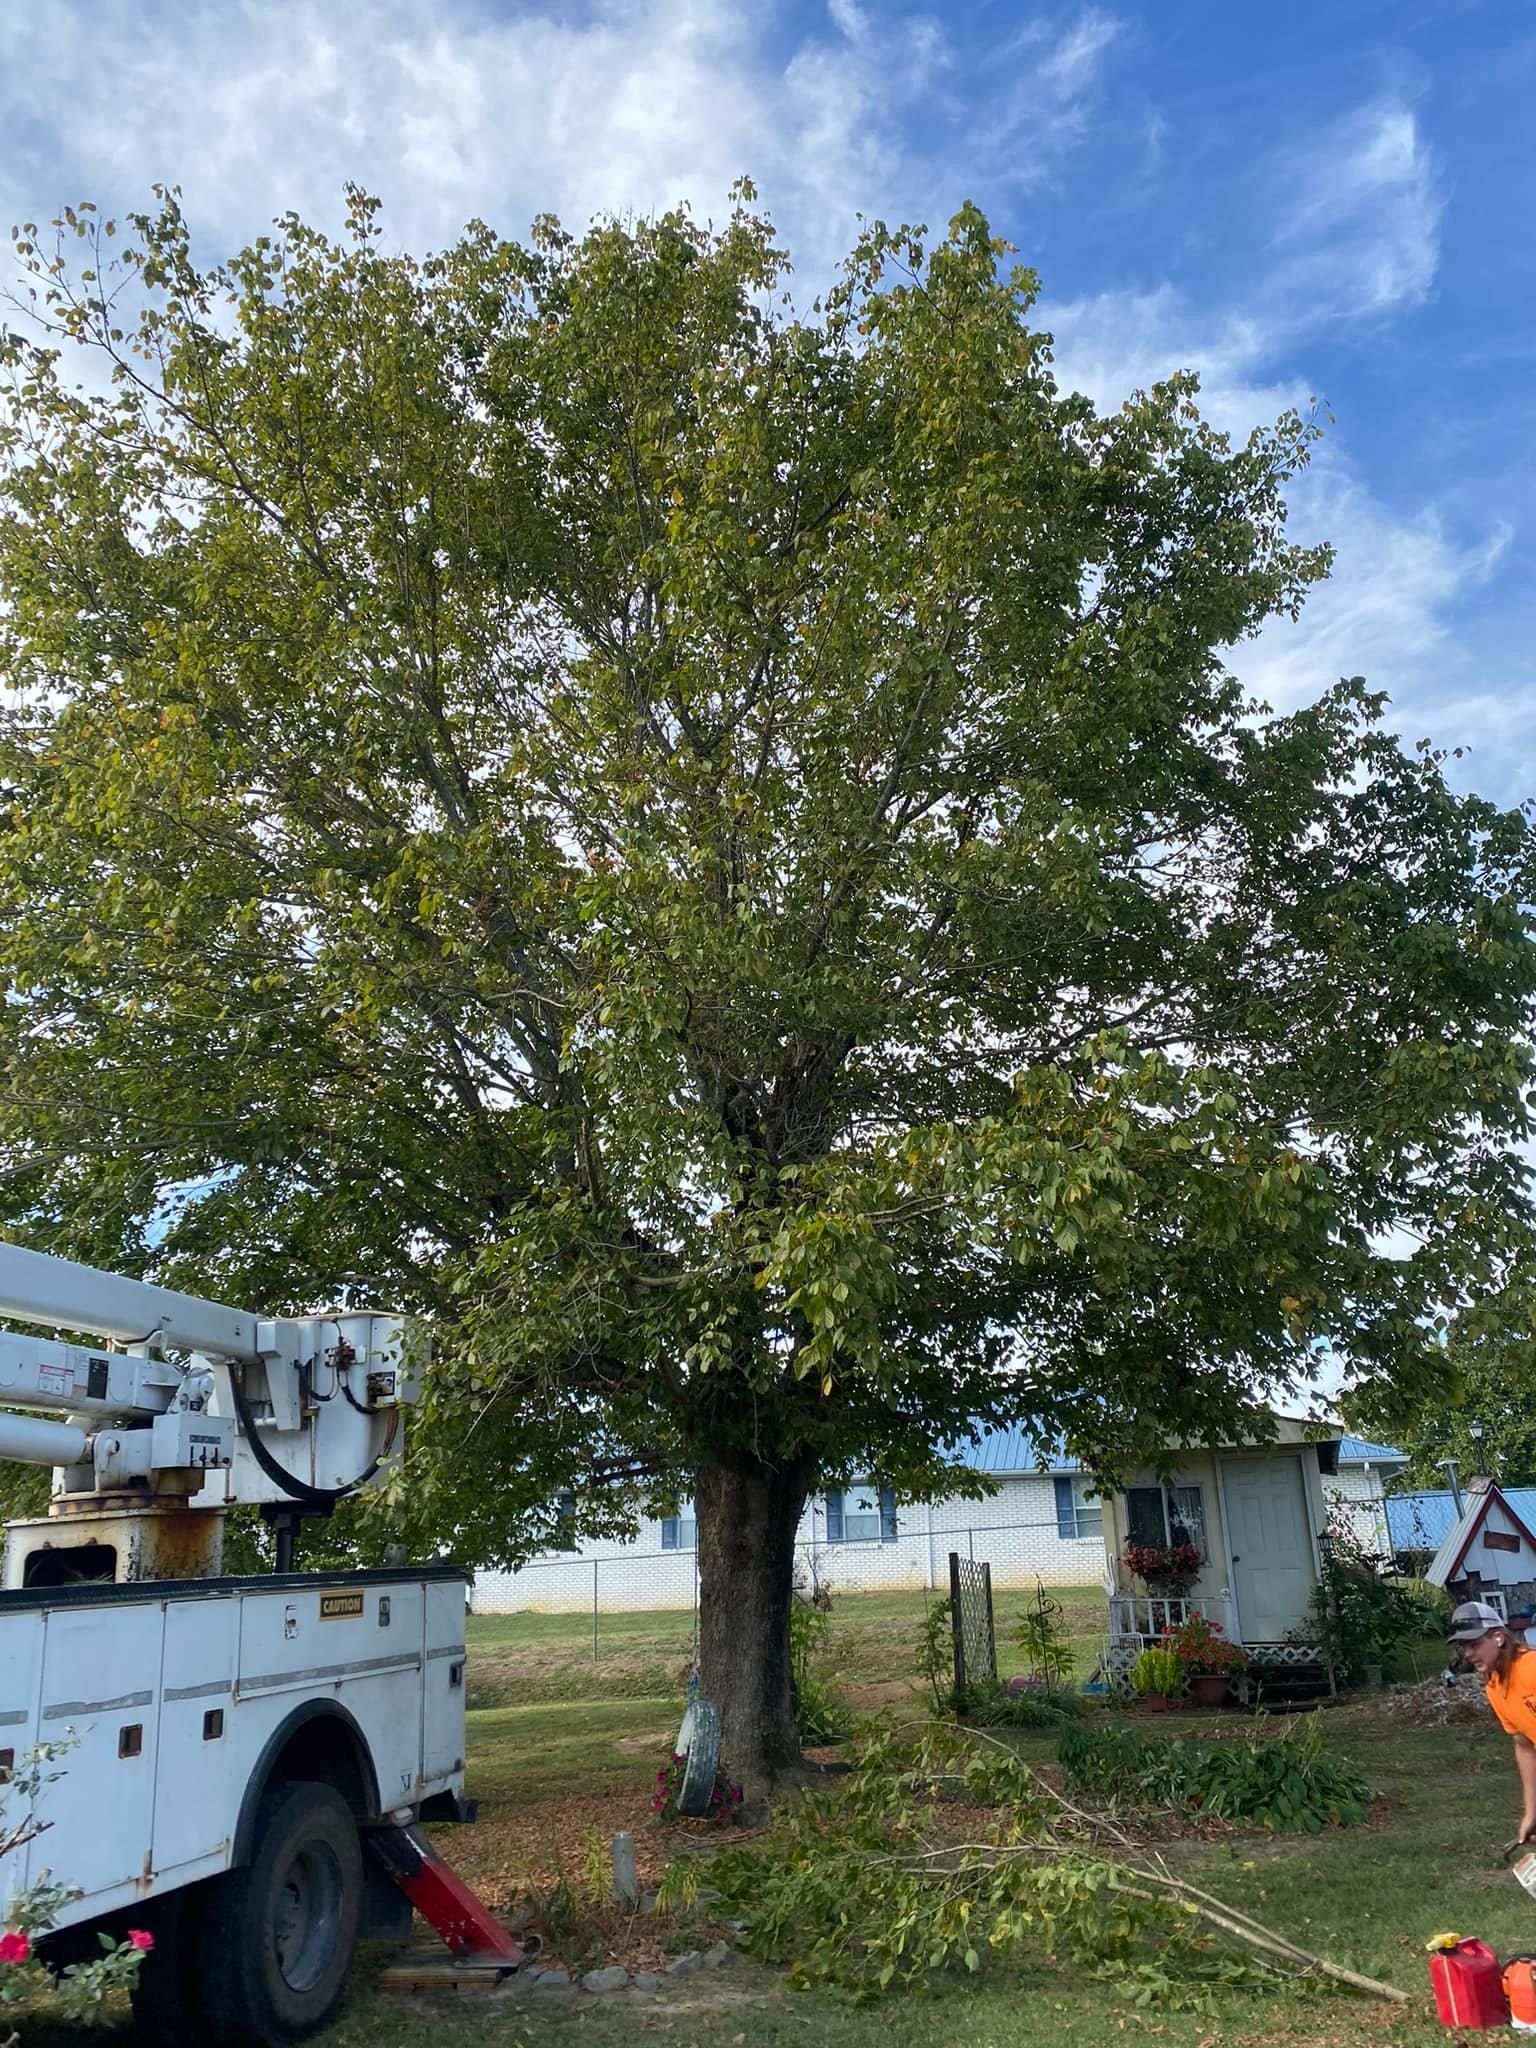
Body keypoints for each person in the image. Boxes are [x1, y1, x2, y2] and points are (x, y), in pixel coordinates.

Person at [1451, 1599, 1536, 1842]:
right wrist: (1532, 1811)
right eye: (1464, 1647)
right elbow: (1525, 1746)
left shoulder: (1531, 1667)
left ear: (1498, 1637)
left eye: (1475, 1644)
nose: (1468, 1654)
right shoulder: (1495, 1687)